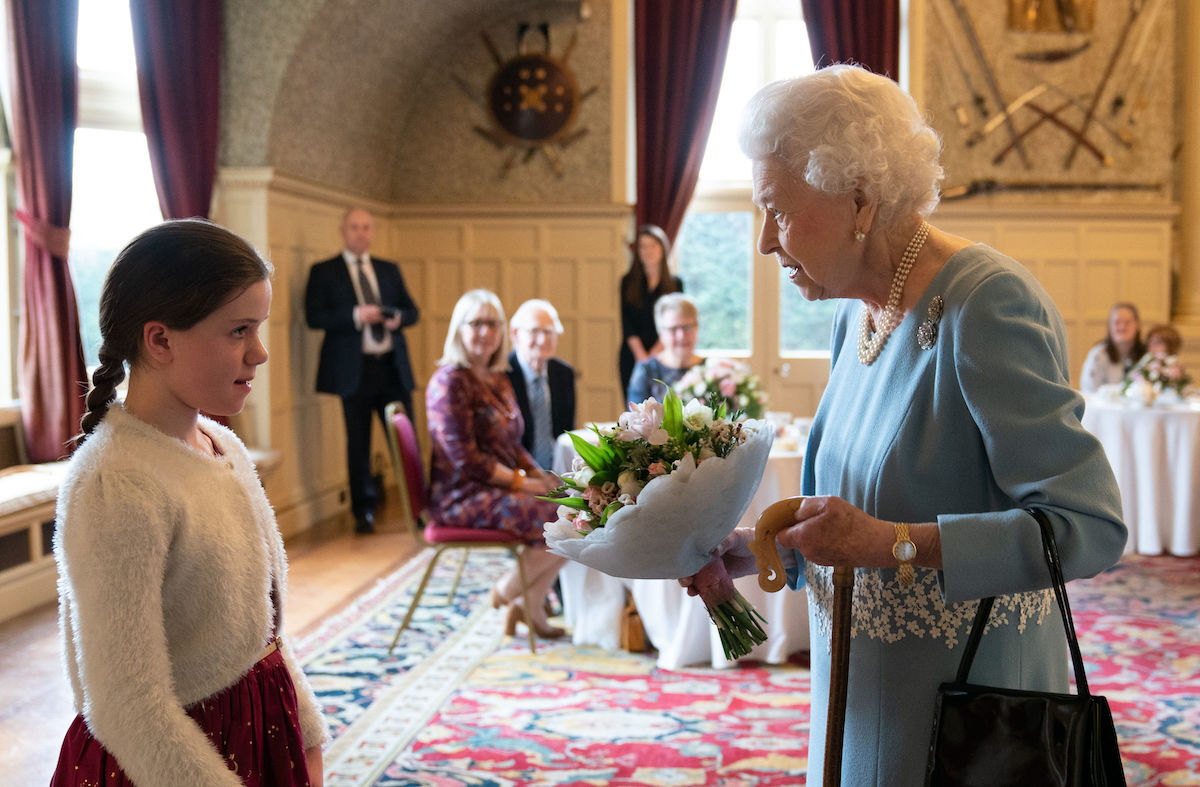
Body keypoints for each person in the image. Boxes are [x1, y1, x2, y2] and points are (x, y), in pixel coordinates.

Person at [683, 65, 1126, 785]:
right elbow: (859, 513)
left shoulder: (986, 303)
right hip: (854, 700)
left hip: (967, 720)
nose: (765, 240)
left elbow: (1087, 526)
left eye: (778, 210)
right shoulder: (854, 312)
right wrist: (750, 547)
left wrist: (891, 544)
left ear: (859, 199)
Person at [50, 220, 327, 786]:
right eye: (238, 331)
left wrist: (309, 736)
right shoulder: (117, 484)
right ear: (160, 340)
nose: (261, 351)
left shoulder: (221, 444)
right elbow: (127, 706)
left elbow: (263, 632)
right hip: (173, 763)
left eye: (260, 328)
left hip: (258, 725)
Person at [426, 289, 568, 640]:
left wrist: (541, 475)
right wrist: (524, 484)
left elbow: (513, 443)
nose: (485, 332)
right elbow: (467, 460)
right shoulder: (449, 382)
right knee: (561, 519)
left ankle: (530, 607)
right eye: (476, 323)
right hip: (461, 497)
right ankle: (505, 591)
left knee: (576, 508)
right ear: (459, 329)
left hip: (493, 487)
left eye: (493, 323)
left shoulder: (497, 377)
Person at [305, 207, 419, 534]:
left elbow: (412, 312)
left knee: (405, 440)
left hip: (392, 367)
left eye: (366, 227)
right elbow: (314, 317)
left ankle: (418, 507)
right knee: (358, 444)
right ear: (343, 230)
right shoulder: (324, 271)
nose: (361, 233)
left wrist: (397, 317)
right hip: (353, 371)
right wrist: (356, 315)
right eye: (355, 227)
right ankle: (363, 512)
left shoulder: (388, 269)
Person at [506, 298, 576, 471]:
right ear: (515, 334)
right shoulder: (502, 373)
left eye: (550, 332)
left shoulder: (564, 373)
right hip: (515, 472)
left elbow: (565, 432)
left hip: (558, 473)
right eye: (535, 331)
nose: (543, 339)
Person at [619, 223, 682, 401]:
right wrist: (642, 357)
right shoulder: (627, 282)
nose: (648, 251)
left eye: (653, 245)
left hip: (665, 354)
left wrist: (654, 354)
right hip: (632, 355)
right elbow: (626, 323)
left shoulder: (675, 284)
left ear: (662, 249)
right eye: (643, 246)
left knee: (665, 408)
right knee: (634, 410)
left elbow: (676, 322)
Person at [626, 292, 703, 404]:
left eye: (687, 327)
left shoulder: (712, 371)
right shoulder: (646, 371)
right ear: (661, 332)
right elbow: (635, 418)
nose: (681, 336)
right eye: (673, 329)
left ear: (697, 328)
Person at [1080, 302, 1146, 393]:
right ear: (1110, 326)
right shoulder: (1098, 354)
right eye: (1117, 322)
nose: (1122, 327)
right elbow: (1089, 391)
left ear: (1137, 325)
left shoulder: (1146, 355)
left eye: (1127, 323)